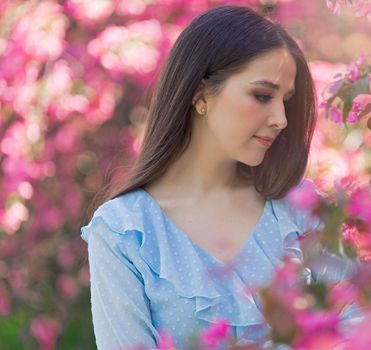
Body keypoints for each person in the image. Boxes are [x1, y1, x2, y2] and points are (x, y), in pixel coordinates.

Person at [80, 5, 356, 350]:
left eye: (285, 101)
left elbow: (361, 324)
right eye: (262, 95)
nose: (281, 119)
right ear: (200, 94)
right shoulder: (125, 233)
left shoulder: (301, 209)